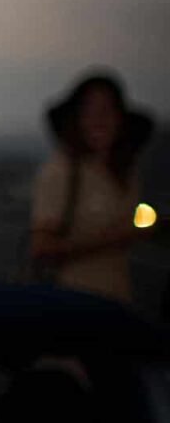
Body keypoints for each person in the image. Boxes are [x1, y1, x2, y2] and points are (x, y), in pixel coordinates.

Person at [28, 71, 154, 304]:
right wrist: (118, 237)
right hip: (75, 302)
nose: (99, 119)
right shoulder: (61, 172)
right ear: (76, 121)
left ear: (120, 118)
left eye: (107, 110)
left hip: (118, 299)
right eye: (89, 112)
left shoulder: (124, 174)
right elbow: (40, 247)